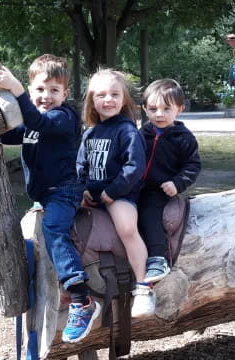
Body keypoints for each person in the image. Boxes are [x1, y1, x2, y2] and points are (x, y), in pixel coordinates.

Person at [0, 54, 100, 343]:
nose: (46, 96)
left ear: (66, 93)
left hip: (64, 190)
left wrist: (18, 91)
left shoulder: (63, 118)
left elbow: (36, 120)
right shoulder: (34, 122)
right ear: (32, 88)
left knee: (54, 229)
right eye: (39, 89)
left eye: (54, 90)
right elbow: (13, 135)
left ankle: (81, 298)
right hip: (45, 194)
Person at [76, 68, 155, 318]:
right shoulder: (89, 133)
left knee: (127, 229)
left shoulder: (127, 131)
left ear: (124, 100)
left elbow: (134, 168)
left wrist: (112, 192)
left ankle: (143, 286)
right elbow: (81, 166)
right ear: (92, 101)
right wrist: (84, 188)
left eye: (114, 94)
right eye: (100, 95)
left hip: (120, 193)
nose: (107, 100)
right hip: (94, 193)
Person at [138, 79, 201, 283]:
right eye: (153, 108)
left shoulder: (183, 138)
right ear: (145, 109)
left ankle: (158, 258)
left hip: (160, 190)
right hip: (135, 185)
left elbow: (192, 166)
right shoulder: (142, 134)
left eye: (166, 109)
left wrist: (177, 183)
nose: (159, 114)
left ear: (179, 109)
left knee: (149, 213)